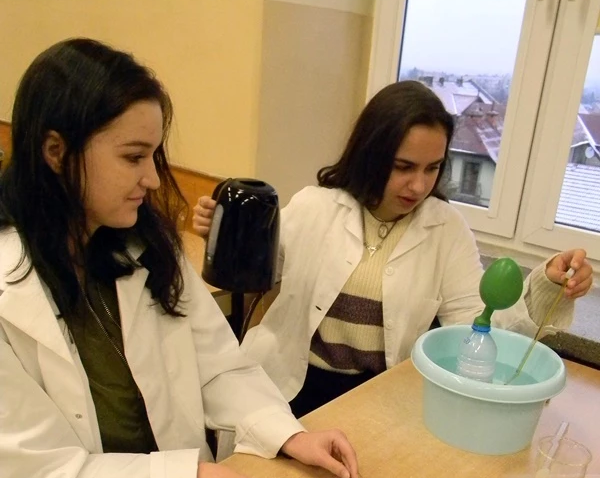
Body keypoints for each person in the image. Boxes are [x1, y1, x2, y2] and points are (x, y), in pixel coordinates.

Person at [0, 38, 359, 478]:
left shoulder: (145, 249)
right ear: (56, 152)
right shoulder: (11, 294)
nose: (151, 177)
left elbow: (217, 366)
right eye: (132, 157)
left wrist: (288, 434)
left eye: (153, 155)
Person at [194, 81, 594, 417]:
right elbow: (255, 272)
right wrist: (223, 233)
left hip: (380, 396)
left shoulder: (446, 230)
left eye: (432, 168)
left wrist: (545, 285)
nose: (419, 186)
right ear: (370, 155)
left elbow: (479, 329)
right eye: (404, 167)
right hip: (292, 388)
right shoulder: (314, 207)